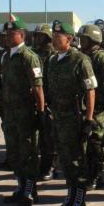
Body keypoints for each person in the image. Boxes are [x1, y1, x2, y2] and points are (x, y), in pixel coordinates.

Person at [46, 20, 97, 206]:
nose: (54, 40)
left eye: (58, 37)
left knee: (77, 161)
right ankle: (69, 198)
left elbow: (90, 90)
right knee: (65, 161)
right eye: (53, 37)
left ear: (69, 39)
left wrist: (88, 119)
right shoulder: (52, 60)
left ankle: (79, 202)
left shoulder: (80, 60)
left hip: (75, 119)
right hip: (58, 118)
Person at [0, 20, 45, 206]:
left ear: (22, 36)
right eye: (7, 35)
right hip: (10, 112)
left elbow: (37, 87)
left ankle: (30, 189)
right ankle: (20, 186)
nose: (9, 37)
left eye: (13, 34)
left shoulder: (29, 56)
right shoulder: (6, 56)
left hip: (25, 112)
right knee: (14, 150)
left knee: (28, 151)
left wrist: (40, 111)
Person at [77, 24, 104, 190]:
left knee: (95, 143)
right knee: (85, 143)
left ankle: (97, 176)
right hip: (83, 106)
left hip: (97, 108)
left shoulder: (102, 58)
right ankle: (87, 173)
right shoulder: (82, 56)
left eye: (84, 39)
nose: (81, 42)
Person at [31, 23, 57, 180]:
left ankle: (50, 166)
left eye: (40, 35)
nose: (37, 38)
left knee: (49, 137)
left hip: (50, 100)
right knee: (37, 136)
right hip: (35, 99)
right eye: (36, 35)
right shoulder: (33, 54)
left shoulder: (54, 55)